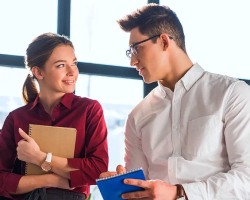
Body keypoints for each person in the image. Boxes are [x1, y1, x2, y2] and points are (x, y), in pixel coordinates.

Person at [100, 3, 250, 200]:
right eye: (130, 53)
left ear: (164, 41)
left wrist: (179, 192)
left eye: (136, 49)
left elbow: (246, 179)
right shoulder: (138, 116)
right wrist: (123, 187)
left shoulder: (232, 94)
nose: (132, 62)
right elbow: (140, 191)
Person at [0, 33, 109, 200]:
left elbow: (97, 170)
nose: (72, 71)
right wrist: (51, 180)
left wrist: (41, 158)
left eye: (74, 63)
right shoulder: (16, 118)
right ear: (38, 72)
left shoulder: (89, 110)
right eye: (60, 65)